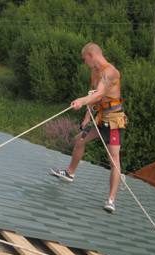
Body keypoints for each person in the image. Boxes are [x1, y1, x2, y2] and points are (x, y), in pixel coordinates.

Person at [51, 42, 127, 213]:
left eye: (85, 60)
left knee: (114, 159)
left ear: (91, 56)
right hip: (100, 119)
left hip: (114, 121)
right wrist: (87, 117)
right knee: (79, 140)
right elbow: (94, 97)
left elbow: (100, 93)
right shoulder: (94, 72)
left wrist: (80, 101)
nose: (86, 64)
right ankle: (70, 173)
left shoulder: (110, 72)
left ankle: (111, 200)